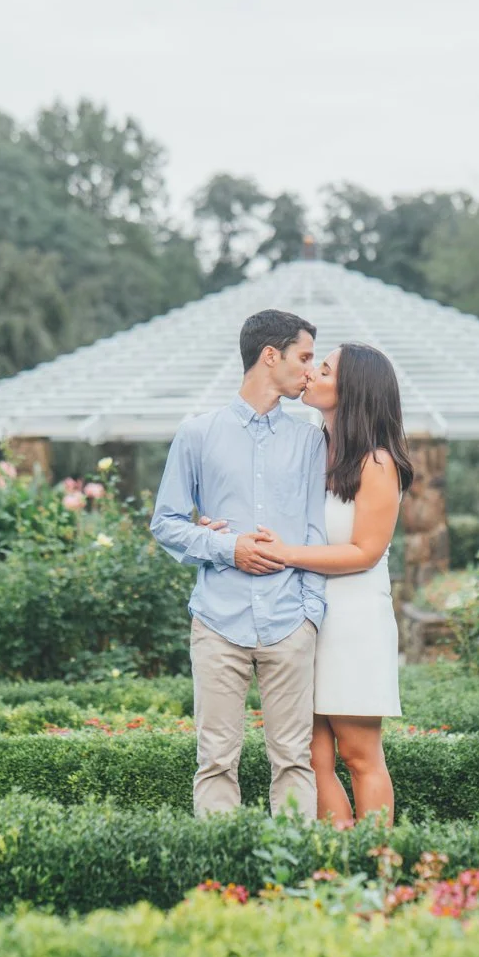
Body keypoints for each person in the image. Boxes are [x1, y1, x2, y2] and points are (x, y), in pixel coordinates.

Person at [204, 342, 412, 826]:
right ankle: (338, 869)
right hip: (301, 616)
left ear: (353, 388)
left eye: (324, 368)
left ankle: (379, 866)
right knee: (310, 758)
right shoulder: (312, 450)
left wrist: (286, 554)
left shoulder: (377, 463)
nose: (310, 373)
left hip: (354, 621)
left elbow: (365, 551)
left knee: (359, 755)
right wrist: (222, 531)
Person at [149, 309, 328, 819]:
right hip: (217, 621)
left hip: (290, 621)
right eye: (304, 357)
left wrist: (310, 615)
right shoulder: (197, 433)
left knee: (295, 760)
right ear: (270, 356)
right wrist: (230, 550)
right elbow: (166, 522)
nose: (310, 370)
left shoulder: (311, 439)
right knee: (215, 761)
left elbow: (316, 531)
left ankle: (294, 883)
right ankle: (220, 883)